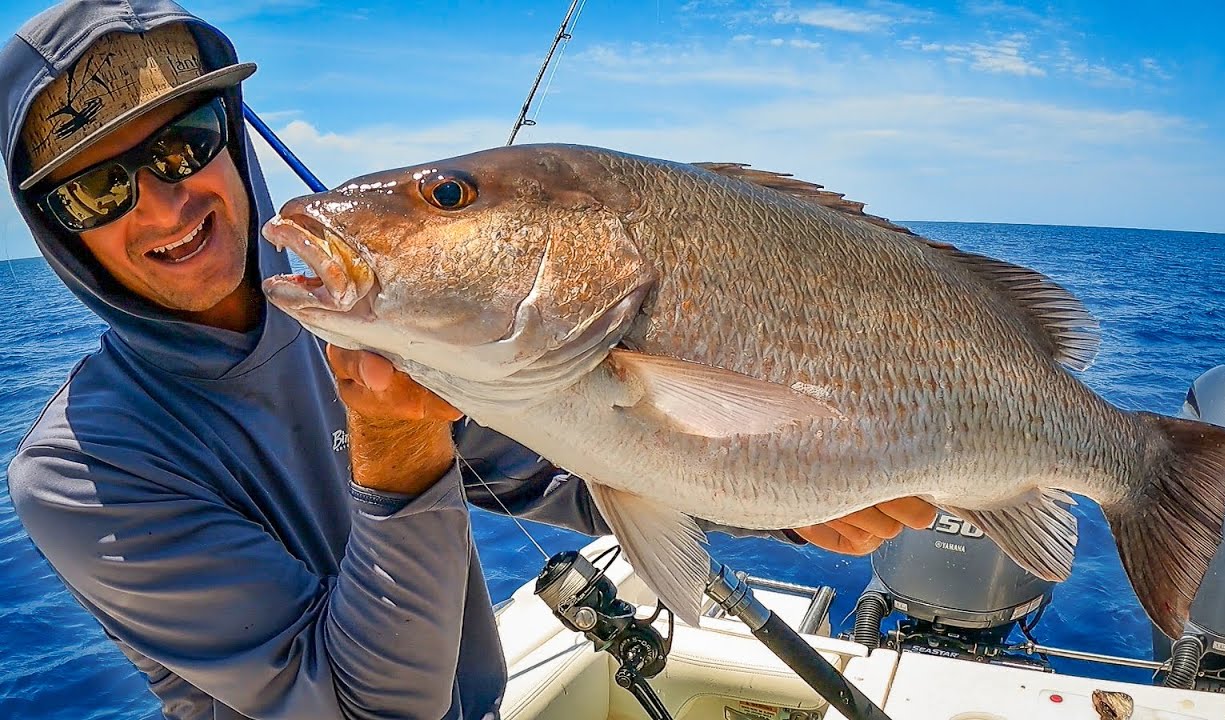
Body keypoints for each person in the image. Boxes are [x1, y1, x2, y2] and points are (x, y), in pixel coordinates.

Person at [1, 1, 937, 718]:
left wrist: (792, 513)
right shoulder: (82, 471)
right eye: (98, 189)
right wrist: (399, 460)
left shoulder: (364, 315)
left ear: (231, 137)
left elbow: (546, 467)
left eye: (182, 144)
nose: (163, 205)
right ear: (57, 234)